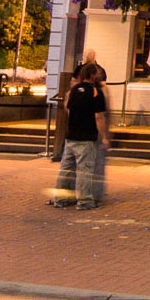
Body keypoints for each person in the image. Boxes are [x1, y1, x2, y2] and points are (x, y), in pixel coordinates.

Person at [50, 62, 109, 210]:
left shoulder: (74, 90)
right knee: (84, 170)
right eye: (97, 73)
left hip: (71, 136)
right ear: (93, 75)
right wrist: (103, 137)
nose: (99, 75)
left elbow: (68, 108)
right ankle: (84, 201)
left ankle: (60, 199)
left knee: (66, 169)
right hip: (86, 137)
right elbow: (99, 116)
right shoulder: (96, 92)